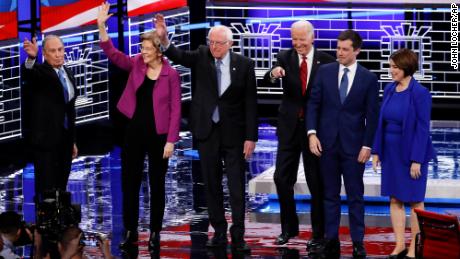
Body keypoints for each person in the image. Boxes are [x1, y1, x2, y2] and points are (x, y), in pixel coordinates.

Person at [155, 13, 258, 253]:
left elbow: (250, 103)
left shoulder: (244, 64)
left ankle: (238, 235)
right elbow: (177, 55)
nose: (213, 47)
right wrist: (164, 38)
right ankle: (219, 232)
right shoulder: (202, 55)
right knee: (211, 185)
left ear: (230, 44)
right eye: (211, 42)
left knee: (235, 188)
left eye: (218, 43)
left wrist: (251, 137)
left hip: (234, 135)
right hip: (207, 132)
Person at [97, 3, 181, 251]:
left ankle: (155, 231)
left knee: (157, 184)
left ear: (158, 51)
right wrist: (101, 27)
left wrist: (171, 141)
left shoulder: (171, 74)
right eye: (141, 48)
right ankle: (131, 230)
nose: (142, 52)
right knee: (130, 183)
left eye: (146, 49)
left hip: (159, 136)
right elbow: (113, 54)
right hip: (133, 134)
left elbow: (176, 109)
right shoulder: (136, 64)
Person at [262, 20, 335, 251]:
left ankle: (318, 233)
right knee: (282, 179)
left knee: (317, 182)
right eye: (294, 39)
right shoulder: (285, 57)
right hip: (288, 127)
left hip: (315, 131)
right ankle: (289, 227)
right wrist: (274, 73)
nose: (298, 44)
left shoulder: (327, 61)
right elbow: (268, 76)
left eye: (302, 39)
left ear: (313, 38)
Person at [307, 29, 379, 258]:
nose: (339, 53)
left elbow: (372, 116)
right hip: (326, 144)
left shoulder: (368, 78)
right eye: (338, 48)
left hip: (354, 147)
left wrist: (368, 146)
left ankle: (358, 241)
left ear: (357, 51)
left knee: (355, 195)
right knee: (330, 194)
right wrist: (312, 134)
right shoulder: (324, 72)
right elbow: (313, 105)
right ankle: (331, 238)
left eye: (345, 49)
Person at [372, 48, 435, 259]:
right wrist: (377, 151)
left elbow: (423, 128)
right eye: (391, 66)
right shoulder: (390, 89)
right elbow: (381, 123)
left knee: (415, 200)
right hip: (390, 153)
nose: (391, 71)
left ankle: (413, 248)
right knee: (394, 199)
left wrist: (416, 159)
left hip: (411, 155)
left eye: (395, 67)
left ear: (407, 68)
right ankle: (399, 245)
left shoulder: (420, 93)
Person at [22, 35, 78, 200]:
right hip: (46, 143)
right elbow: (28, 73)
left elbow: (70, 110)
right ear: (45, 54)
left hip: (65, 141)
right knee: (47, 191)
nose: (58, 54)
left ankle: (61, 223)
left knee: (61, 186)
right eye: (53, 51)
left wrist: (72, 140)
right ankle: (45, 225)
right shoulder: (40, 73)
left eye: (60, 49)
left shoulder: (67, 72)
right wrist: (32, 58)